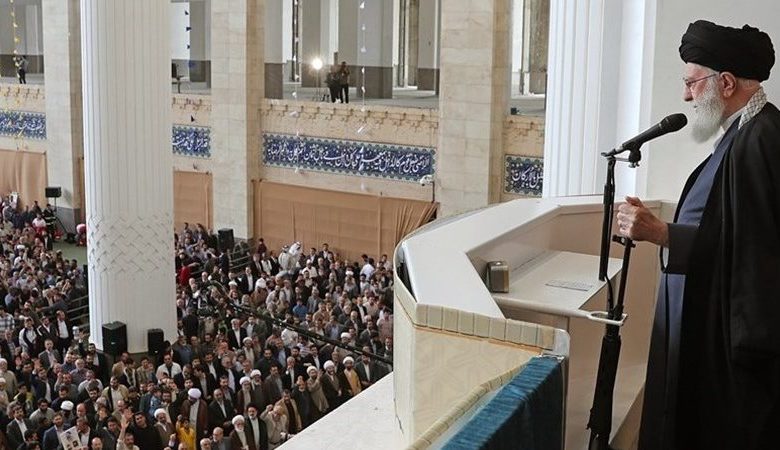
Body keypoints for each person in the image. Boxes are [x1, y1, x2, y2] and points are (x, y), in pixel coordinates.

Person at [617, 20, 780, 450]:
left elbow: (755, 254)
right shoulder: (744, 133)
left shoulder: (762, 138)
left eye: (692, 83)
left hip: (735, 352)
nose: (686, 96)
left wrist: (663, 233)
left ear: (726, 83)